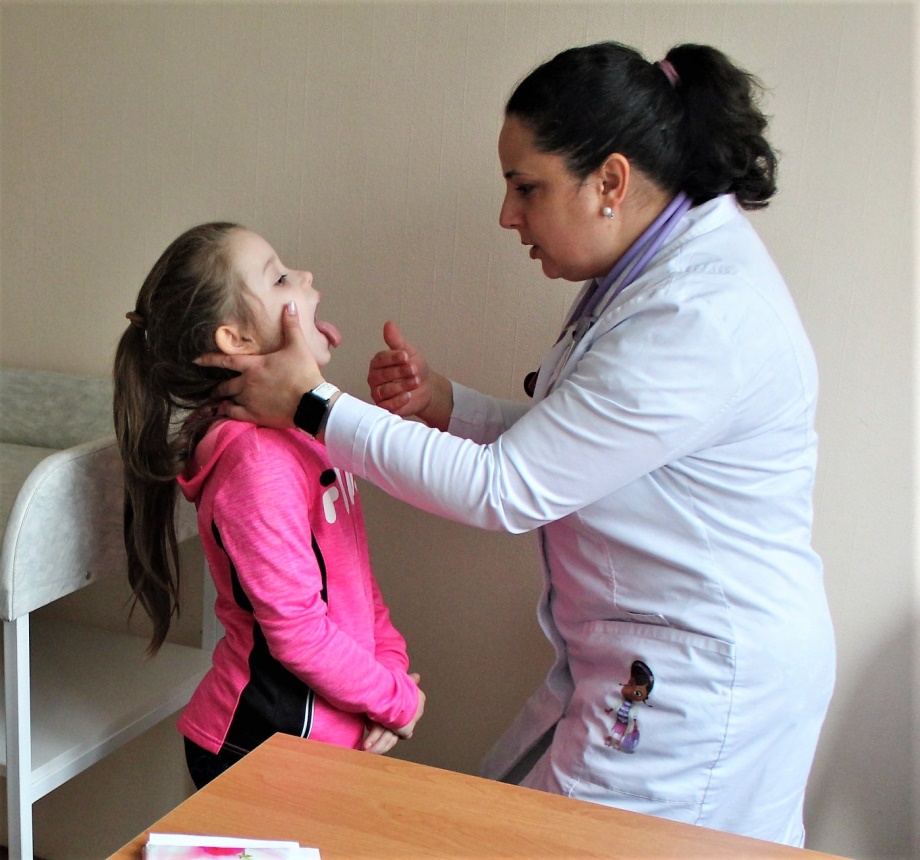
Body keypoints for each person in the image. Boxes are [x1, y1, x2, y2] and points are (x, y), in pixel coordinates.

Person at [200, 41, 835, 845]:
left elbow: (506, 489)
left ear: (609, 182)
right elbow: (586, 447)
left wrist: (313, 406)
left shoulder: (698, 315)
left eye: (525, 187)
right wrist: (447, 407)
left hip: (702, 685)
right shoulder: (650, 271)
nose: (507, 215)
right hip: (647, 657)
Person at [113, 222, 425, 789]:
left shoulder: (303, 435)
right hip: (260, 749)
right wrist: (396, 700)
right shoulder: (256, 462)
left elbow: (355, 584)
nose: (305, 276)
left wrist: (390, 676)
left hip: (331, 741)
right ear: (236, 340)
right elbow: (298, 633)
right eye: (279, 278)